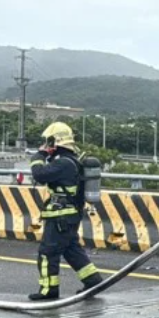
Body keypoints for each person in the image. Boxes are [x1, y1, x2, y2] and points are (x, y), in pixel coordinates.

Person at [27, 122, 103, 301]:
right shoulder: (71, 160)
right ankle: (92, 280)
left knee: (48, 252)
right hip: (69, 215)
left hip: (61, 216)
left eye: (48, 141)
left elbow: (39, 174)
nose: (46, 144)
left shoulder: (63, 163)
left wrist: (39, 155)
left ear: (55, 141)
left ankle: (48, 290)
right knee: (70, 249)